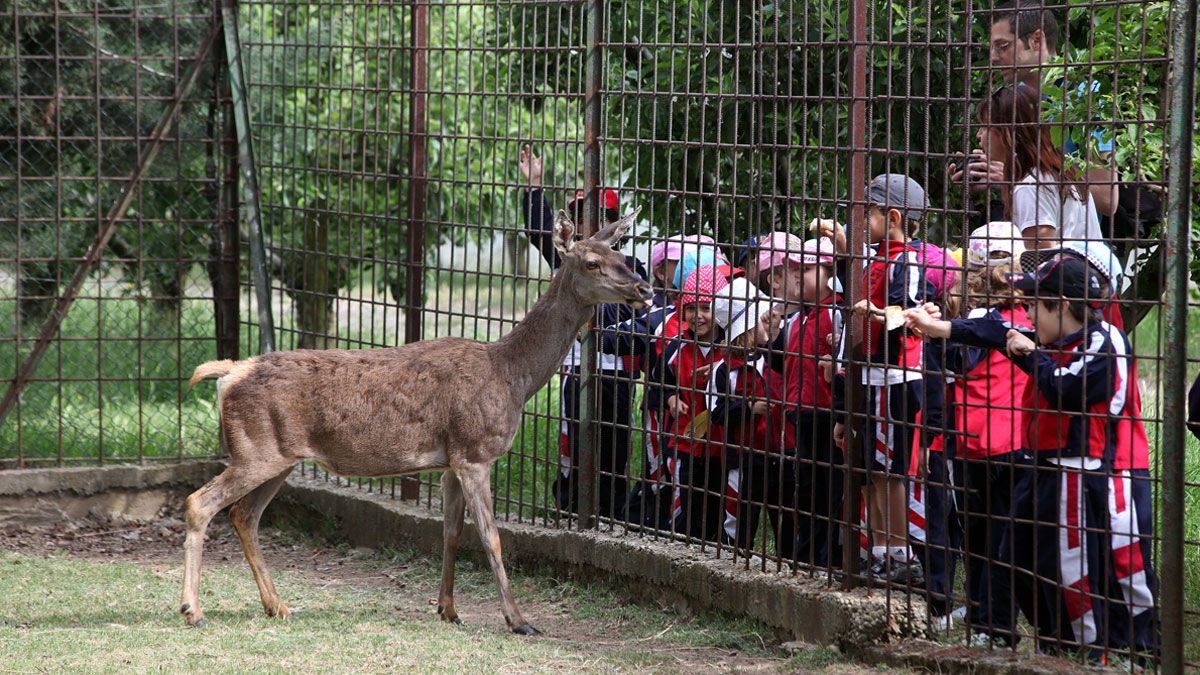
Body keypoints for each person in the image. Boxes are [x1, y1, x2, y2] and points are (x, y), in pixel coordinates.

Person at [909, 253, 1139, 659]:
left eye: (1033, 304)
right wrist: (936, 327)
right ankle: (1055, 641)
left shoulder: (1103, 341)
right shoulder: (1045, 334)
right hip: (1042, 466)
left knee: (1087, 567)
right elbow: (987, 330)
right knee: (1017, 555)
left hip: (1087, 471)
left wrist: (1030, 354)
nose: (1026, 313)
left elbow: (1069, 388)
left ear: (1062, 305)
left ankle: (1101, 651)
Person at [911, 222, 1033, 647]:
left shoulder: (986, 321)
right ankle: (987, 620)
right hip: (1015, 444)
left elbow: (960, 363)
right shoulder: (1031, 319)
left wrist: (931, 330)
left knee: (987, 540)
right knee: (999, 539)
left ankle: (994, 626)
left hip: (983, 444)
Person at [518, 145, 648, 519]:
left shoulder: (631, 266)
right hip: (577, 372)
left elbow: (644, 320)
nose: (592, 228)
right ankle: (572, 509)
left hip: (617, 374)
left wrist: (600, 330)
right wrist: (534, 188)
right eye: (581, 217)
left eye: (601, 219)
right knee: (573, 444)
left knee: (615, 448)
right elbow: (542, 232)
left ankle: (613, 515)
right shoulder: (569, 261)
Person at [827, 174, 938, 584]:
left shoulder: (906, 261)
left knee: (890, 471)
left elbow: (908, 314)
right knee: (872, 469)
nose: (859, 223)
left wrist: (871, 315)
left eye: (866, 214)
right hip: (869, 378)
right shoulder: (873, 259)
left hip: (895, 379)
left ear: (891, 217)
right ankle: (878, 549)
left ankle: (898, 553)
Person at [952, 2, 1118, 220]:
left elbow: (1107, 199)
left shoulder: (1087, 97)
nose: (992, 57)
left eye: (1002, 46)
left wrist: (1011, 177)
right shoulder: (1014, 98)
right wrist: (985, 173)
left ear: (1036, 40)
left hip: (1074, 241)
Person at [709, 276, 792, 558]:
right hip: (742, 457)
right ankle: (735, 556)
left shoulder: (771, 359)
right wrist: (747, 408)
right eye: (761, 321)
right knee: (740, 515)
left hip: (777, 453)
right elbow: (716, 412)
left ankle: (787, 562)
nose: (766, 324)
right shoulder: (724, 370)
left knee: (784, 517)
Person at [972, 86, 1102, 252]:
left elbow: (1040, 259)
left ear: (1007, 133)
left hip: (1064, 276)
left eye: (985, 127)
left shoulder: (1031, 185)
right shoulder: (1057, 170)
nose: (979, 135)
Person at [781, 237, 844, 567]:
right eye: (793, 270)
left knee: (828, 491)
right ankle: (804, 556)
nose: (796, 278)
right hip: (799, 414)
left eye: (805, 270)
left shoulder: (838, 312)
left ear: (828, 270)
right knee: (804, 490)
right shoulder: (795, 319)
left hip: (827, 416)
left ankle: (827, 558)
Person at [656, 265, 729, 542]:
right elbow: (658, 380)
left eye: (706, 308)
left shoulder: (731, 348)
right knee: (687, 510)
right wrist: (671, 397)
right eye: (690, 308)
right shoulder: (676, 346)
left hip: (722, 446)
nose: (698, 316)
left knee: (718, 509)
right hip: (686, 445)